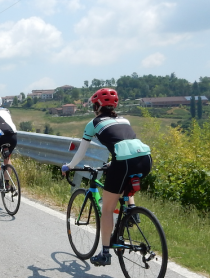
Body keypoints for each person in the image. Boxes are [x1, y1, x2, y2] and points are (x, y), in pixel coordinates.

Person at [61, 88, 152, 266]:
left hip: (123, 162)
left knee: (108, 210)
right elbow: (126, 144)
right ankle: (131, 212)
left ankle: (104, 254)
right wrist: (113, 163)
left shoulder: (93, 123)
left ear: (97, 106)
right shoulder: (124, 119)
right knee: (125, 183)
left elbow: (81, 152)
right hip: (145, 158)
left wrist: (69, 166)